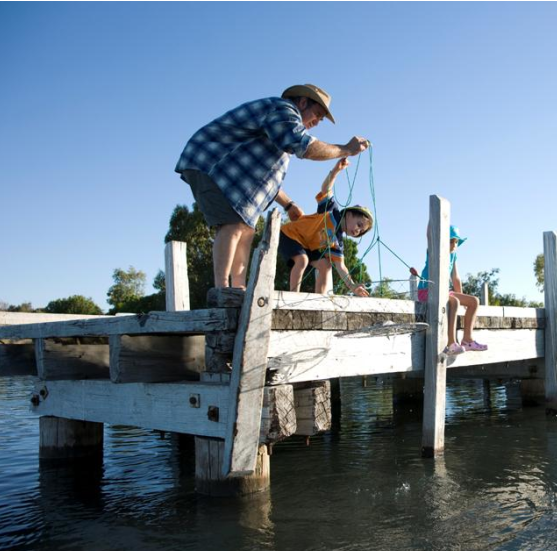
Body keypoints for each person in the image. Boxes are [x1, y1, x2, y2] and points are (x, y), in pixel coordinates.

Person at [175, 83, 369, 289]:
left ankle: (238, 289)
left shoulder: (280, 137)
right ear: (303, 102)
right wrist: (346, 149)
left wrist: (288, 205)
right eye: (317, 114)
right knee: (233, 223)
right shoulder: (283, 111)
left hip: (232, 174)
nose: (317, 122)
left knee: (247, 228)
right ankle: (222, 289)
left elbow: (267, 181)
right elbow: (304, 146)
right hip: (212, 161)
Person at [278, 158, 372, 296]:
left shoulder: (337, 243)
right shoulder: (332, 211)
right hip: (291, 234)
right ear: (349, 214)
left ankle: (319, 300)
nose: (357, 230)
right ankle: (293, 296)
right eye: (359, 224)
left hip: (307, 246)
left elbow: (341, 267)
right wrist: (335, 171)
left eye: (361, 231)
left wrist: (352, 286)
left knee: (326, 265)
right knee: (302, 260)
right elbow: (326, 189)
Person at [417, 226, 488, 355]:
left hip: (443, 291)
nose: (454, 244)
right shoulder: (435, 250)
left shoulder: (453, 255)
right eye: (451, 241)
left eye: (456, 242)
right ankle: (451, 343)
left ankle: (467, 340)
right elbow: (429, 235)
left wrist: (463, 299)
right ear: (443, 241)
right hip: (427, 290)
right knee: (454, 302)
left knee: (474, 301)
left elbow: (455, 278)